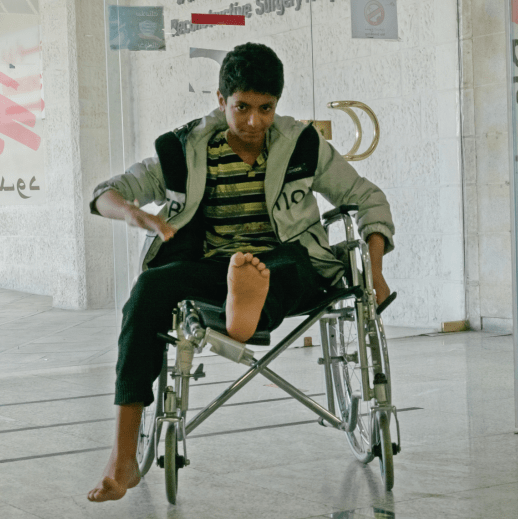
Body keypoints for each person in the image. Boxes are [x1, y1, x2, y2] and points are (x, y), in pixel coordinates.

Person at [87, 42, 395, 502]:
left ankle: (242, 314)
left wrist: (374, 268)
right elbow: (106, 192)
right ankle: (122, 456)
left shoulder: (302, 145)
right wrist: (137, 215)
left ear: (278, 102)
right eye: (242, 108)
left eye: (266, 108)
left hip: (288, 258)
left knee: (286, 269)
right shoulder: (185, 149)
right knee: (148, 290)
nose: (254, 121)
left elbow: (368, 198)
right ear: (220, 100)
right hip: (215, 268)